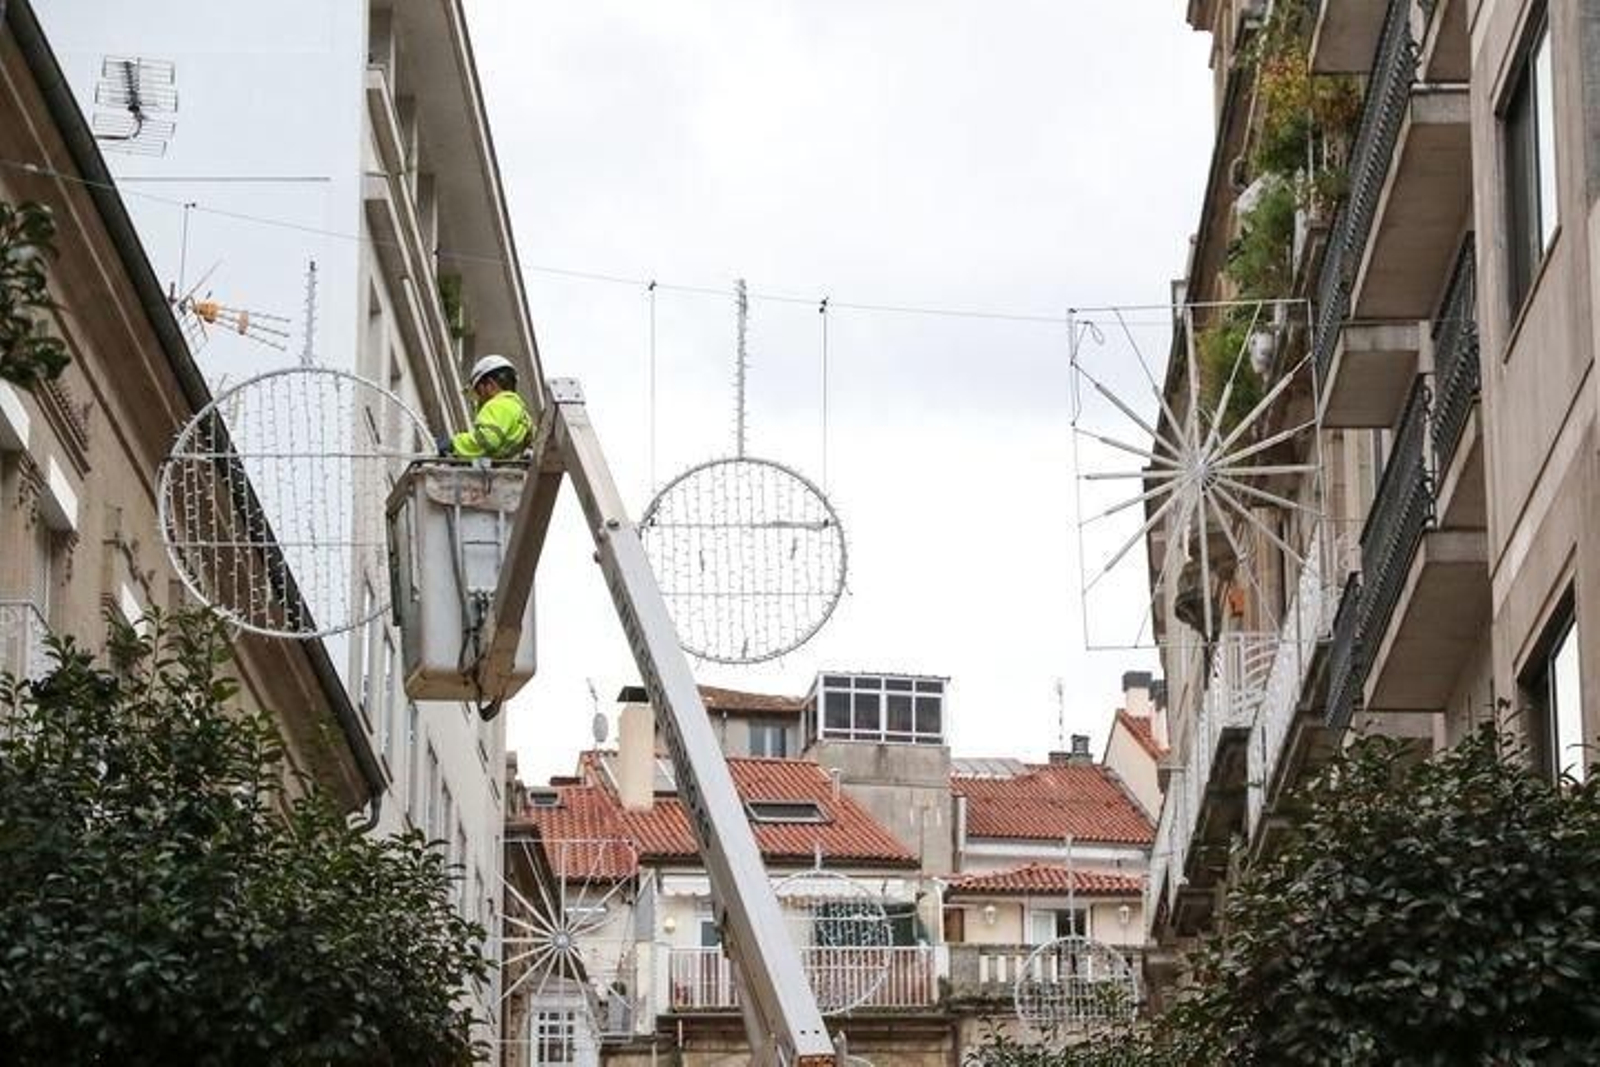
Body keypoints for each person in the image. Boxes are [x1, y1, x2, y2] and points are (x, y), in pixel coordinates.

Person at [436, 354, 533, 460]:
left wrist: (454, 444)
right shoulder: (523, 414)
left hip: (493, 475)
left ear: (490, 385)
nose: (479, 399)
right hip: (506, 471)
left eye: (478, 391)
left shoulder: (496, 406)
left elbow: (487, 440)